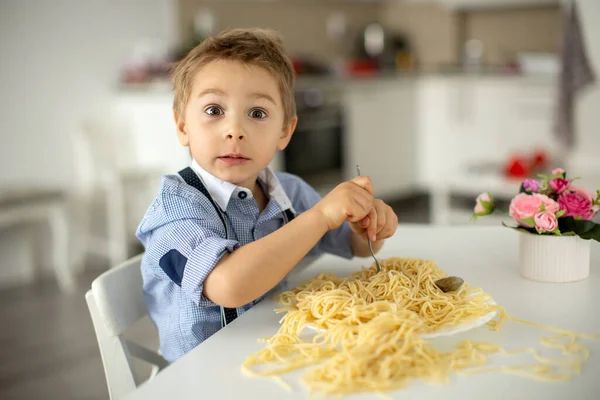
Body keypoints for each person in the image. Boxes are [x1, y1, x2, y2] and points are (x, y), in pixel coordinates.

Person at [136, 28, 399, 363]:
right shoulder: (174, 212)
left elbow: (353, 245)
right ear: (183, 126)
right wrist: (319, 217)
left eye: (257, 113)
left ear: (284, 131)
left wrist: (369, 226)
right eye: (214, 110)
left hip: (274, 353)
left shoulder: (287, 191)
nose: (235, 130)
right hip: (203, 374)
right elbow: (228, 286)